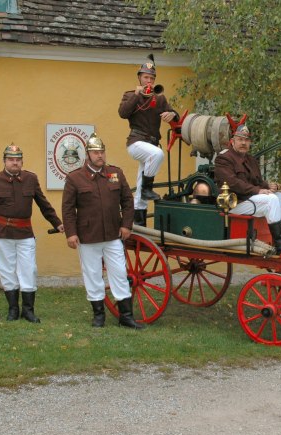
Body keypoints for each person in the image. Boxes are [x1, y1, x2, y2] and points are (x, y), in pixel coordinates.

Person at [61, 133, 143, 330]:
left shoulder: (115, 173)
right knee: (93, 275)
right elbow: (68, 208)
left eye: (102, 151)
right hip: (88, 236)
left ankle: (126, 316)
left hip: (114, 234)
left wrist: (126, 225)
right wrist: (70, 233)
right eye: (96, 152)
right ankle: (99, 316)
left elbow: (127, 201)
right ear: (87, 155)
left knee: (120, 273)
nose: (100, 155)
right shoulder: (75, 178)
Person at [0, 144, 64, 323]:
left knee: (29, 270)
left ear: (22, 161)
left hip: (25, 233)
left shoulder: (30, 179)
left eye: (18, 160)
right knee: (7, 271)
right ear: (4, 161)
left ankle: (28, 311)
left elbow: (43, 204)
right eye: (11, 160)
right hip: (1, 234)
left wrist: (57, 223)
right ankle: (13, 309)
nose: (14, 163)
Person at [213, 123, 281, 253]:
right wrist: (258, 190)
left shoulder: (251, 159)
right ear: (232, 142)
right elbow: (233, 183)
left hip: (251, 199)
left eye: (247, 140)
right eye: (240, 139)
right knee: (271, 200)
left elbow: (257, 181)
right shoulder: (223, 159)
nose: (244, 143)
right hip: (236, 203)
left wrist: (268, 185)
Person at [118, 54, 180, 227]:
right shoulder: (130, 95)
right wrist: (137, 95)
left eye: (152, 78)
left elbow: (174, 116)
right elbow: (123, 113)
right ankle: (147, 190)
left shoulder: (159, 98)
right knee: (157, 155)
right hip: (136, 142)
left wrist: (173, 114)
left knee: (141, 178)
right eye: (146, 77)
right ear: (139, 78)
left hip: (151, 143)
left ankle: (139, 220)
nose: (149, 81)